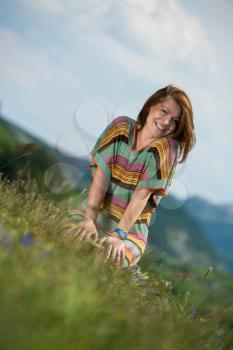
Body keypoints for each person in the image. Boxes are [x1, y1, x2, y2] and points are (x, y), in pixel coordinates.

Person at [65, 84, 196, 269]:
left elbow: (141, 196)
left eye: (174, 121)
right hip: (93, 212)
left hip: (129, 233)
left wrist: (119, 236)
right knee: (67, 238)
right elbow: (101, 178)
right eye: (164, 111)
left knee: (103, 264)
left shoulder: (166, 149)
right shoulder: (121, 128)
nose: (166, 122)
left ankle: (133, 273)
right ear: (151, 105)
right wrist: (89, 218)